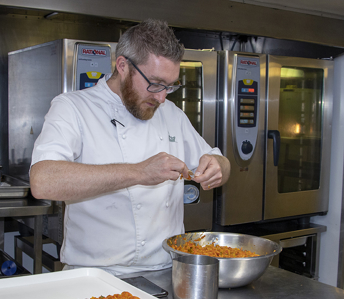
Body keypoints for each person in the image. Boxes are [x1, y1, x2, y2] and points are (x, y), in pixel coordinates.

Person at [29, 19, 230, 275]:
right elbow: (43, 181)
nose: (161, 97)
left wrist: (219, 167)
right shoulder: (73, 108)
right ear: (123, 66)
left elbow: (216, 158)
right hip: (94, 275)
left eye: (170, 86)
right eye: (155, 83)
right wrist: (139, 172)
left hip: (166, 269)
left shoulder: (171, 114)